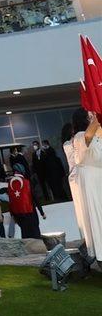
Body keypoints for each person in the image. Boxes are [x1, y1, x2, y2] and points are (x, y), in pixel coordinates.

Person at [73, 109, 102, 261]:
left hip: (99, 179)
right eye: (90, 116)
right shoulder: (79, 137)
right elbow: (88, 136)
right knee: (98, 219)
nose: (93, 118)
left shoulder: (98, 134)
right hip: (92, 184)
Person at [62, 117, 93, 248]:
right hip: (78, 174)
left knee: (82, 208)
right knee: (85, 207)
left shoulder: (67, 143)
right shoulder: (74, 142)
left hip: (74, 176)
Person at [8, 167, 46, 239]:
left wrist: (12, 214)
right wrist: (42, 212)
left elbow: (10, 200)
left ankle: (27, 248)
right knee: (35, 232)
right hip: (29, 212)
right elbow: (35, 198)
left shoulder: (10, 183)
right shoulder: (26, 182)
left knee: (24, 233)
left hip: (17, 213)